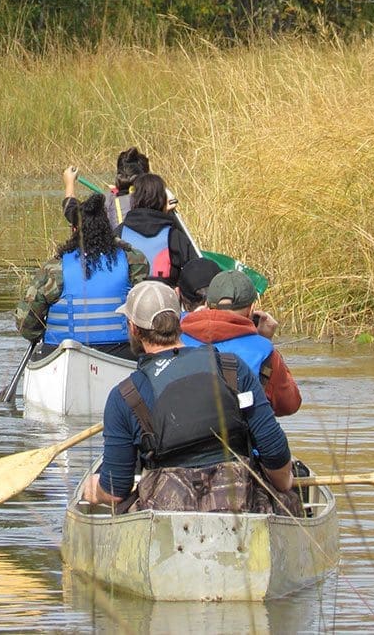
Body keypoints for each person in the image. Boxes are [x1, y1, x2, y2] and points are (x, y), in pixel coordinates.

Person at [82, 281, 301, 515]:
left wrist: (94, 490)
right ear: (179, 322)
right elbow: (273, 449)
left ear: (134, 329)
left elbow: (116, 490)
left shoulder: (125, 395)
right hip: (240, 507)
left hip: (167, 518)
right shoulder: (231, 368)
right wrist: (284, 484)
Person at [17, 166, 149, 359]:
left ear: (75, 230)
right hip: (121, 351)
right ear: (107, 227)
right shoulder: (134, 260)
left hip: (62, 351)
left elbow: (25, 321)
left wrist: (39, 336)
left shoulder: (55, 267)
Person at [180, 269, 302, 417]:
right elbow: (288, 404)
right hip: (237, 434)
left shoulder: (176, 338)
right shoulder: (263, 350)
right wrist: (265, 340)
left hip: (182, 429)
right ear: (252, 309)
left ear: (206, 305)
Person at [116, 172, 196, 287]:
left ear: (134, 200)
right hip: (167, 300)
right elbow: (194, 271)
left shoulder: (120, 232)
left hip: (130, 301)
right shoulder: (174, 236)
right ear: (162, 200)